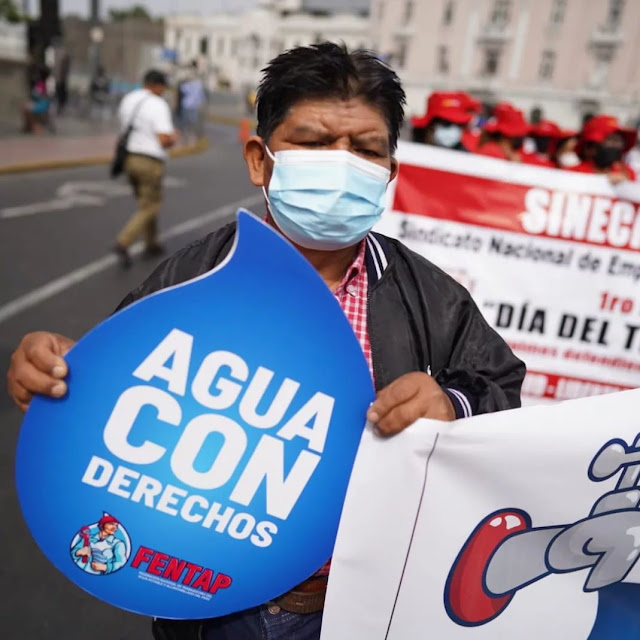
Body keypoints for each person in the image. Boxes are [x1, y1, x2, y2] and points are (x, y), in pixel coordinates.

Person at [6, 43, 525, 640]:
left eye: (365, 149)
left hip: (365, 606)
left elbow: (500, 386)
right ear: (260, 160)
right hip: (213, 606)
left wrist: (451, 405)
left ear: (389, 172)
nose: (341, 163)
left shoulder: (429, 294)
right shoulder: (192, 276)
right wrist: (56, 373)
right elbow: (109, 387)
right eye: (313, 142)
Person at [113, 69, 179, 267]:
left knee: (145, 203)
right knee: (151, 206)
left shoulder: (129, 99)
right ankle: (123, 241)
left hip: (129, 158)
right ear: (158, 86)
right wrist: (174, 137)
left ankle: (152, 243)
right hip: (149, 161)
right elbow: (164, 140)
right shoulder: (157, 105)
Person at [570, 114, 637, 182]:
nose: (616, 145)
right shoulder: (572, 173)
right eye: (610, 139)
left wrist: (625, 183)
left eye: (619, 140)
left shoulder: (627, 173)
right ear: (591, 147)